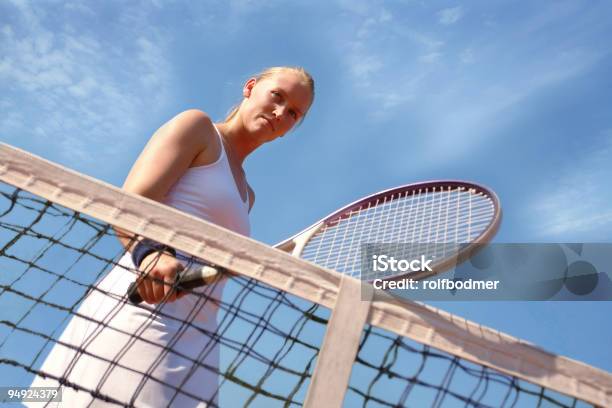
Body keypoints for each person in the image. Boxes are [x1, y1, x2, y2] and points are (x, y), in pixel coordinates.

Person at [27, 66, 315, 407]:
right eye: (277, 96)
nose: (281, 112)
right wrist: (150, 254)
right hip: (144, 314)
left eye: (294, 113)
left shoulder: (247, 196)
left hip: (201, 340)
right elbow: (130, 202)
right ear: (250, 87)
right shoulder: (198, 128)